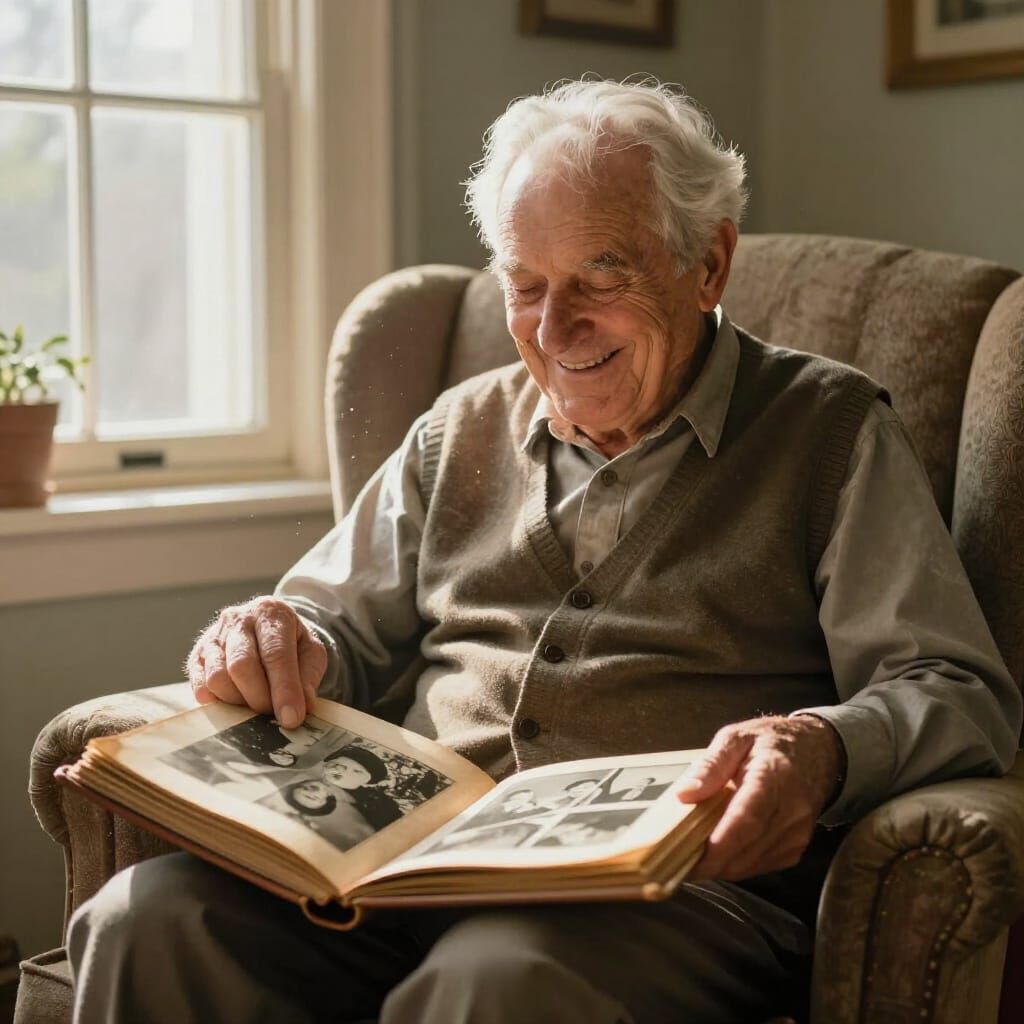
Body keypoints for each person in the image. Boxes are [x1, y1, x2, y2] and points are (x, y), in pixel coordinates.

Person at [67, 78, 1021, 1024]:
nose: (554, 329)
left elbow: (954, 688)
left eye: (601, 278)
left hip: (669, 897)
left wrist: (819, 747)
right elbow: (329, 623)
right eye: (525, 286)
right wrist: (277, 636)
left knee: (495, 979)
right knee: (150, 918)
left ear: (708, 265)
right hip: (409, 870)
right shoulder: (456, 430)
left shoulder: (831, 431)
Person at [320, 745, 403, 831]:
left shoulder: (378, 806)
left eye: (357, 771)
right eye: (336, 765)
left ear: (366, 784)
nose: (341, 771)